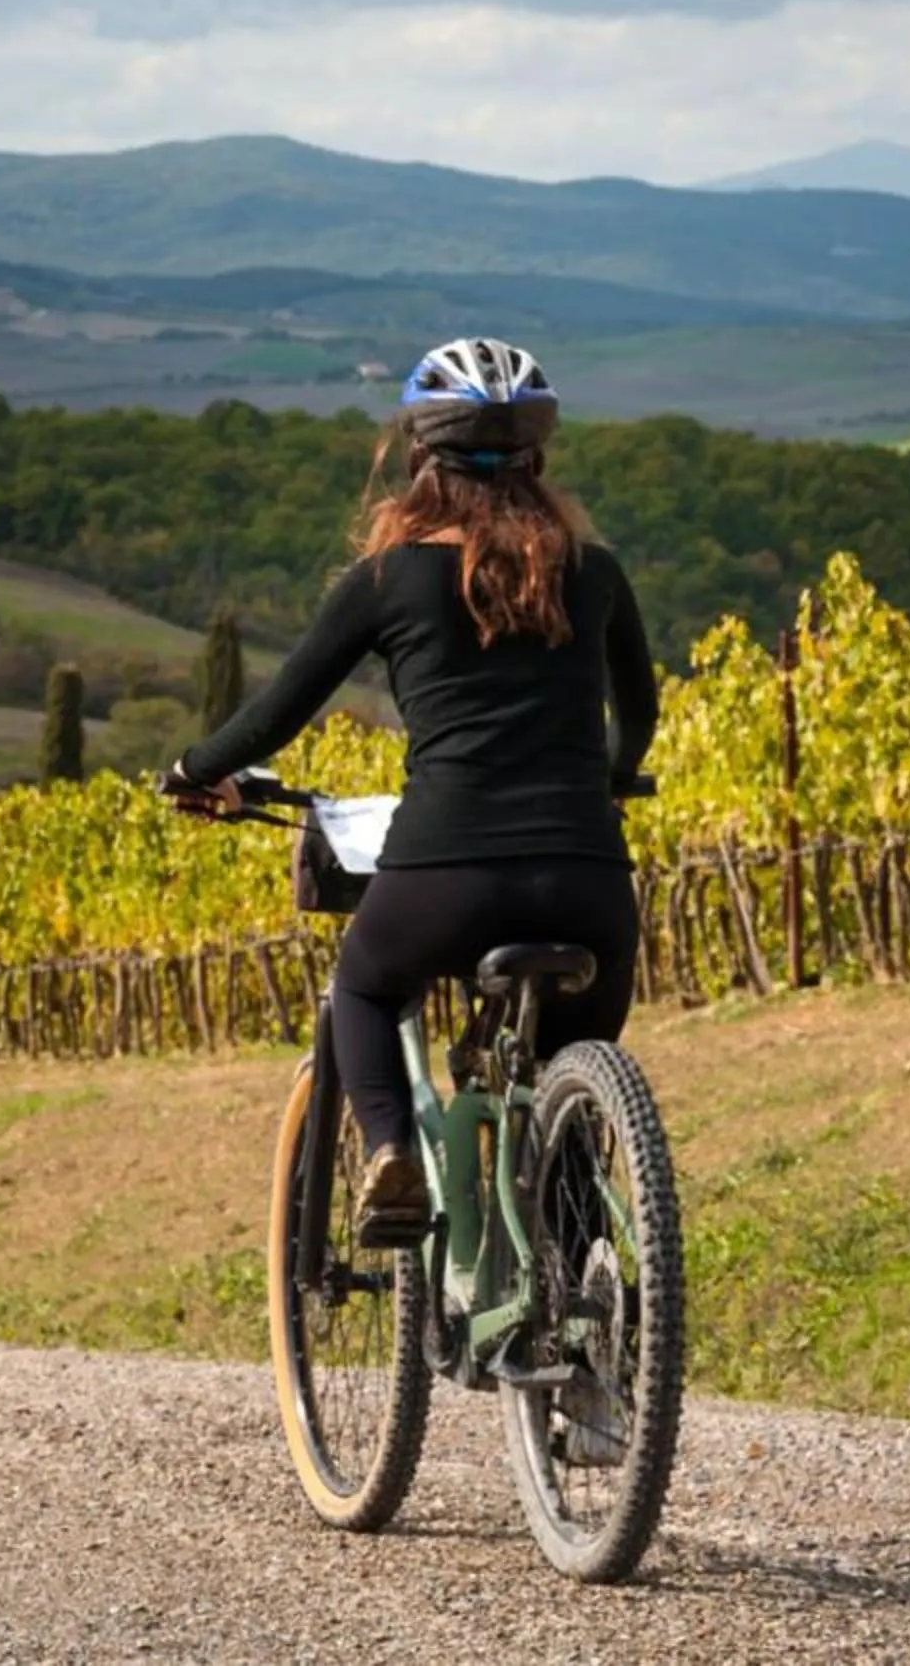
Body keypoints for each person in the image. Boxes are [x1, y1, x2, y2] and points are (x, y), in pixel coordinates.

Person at [163, 337, 657, 1245]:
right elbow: (641, 717)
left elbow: (275, 716)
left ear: (420, 456)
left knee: (361, 989)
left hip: (445, 872)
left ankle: (390, 1153)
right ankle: (593, 1330)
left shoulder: (387, 578)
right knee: (570, 1103)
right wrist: (612, 781)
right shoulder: (597, 573)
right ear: (536, 460)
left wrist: (197, 771)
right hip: (589, 880)